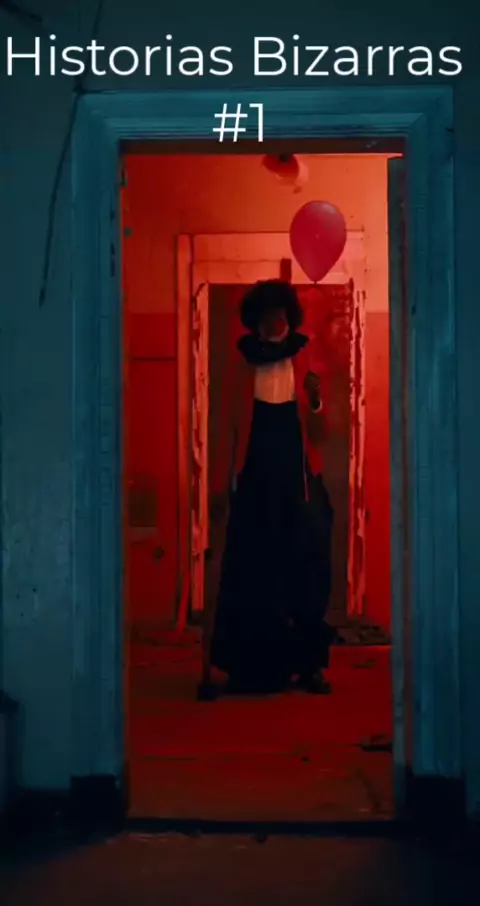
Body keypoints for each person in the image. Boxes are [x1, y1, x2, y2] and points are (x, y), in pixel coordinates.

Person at [210, 279, 334, 695]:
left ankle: (310, 666)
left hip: (298, 480)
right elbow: (227, 424)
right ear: (256, 321)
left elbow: (321, 432)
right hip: (254, 479)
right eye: (267, 316)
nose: (274, 322)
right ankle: (251, 668)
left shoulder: (305, 355)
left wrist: (316, 400)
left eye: (280, 315)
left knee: (305, 569)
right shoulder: (241, 362)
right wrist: (222, 482)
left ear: (289, 318)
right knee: (253, 572)